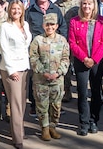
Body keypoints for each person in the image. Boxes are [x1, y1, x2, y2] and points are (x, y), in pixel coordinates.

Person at [69, 0, 103, 136]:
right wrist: (84, 58)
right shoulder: (75, 21)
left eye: (89, 3)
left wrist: (94, 59)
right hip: (81, 61)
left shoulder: (102, 21)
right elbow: (72, 43)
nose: (87, 6)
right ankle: (84, 122)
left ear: (94, 5)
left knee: (96, 91)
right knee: (82, 92)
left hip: (97, 61)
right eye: (84, 3)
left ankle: (93, 120)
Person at [29, 13, 71, 141]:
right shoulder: (37, 40)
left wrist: (58, 73)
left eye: (52, 24)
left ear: (57, 26)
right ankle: (45, 128)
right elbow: (33, 58)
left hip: (57, 80)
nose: (50, 27)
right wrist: (43, 72)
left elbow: (66, 58)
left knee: (56, 106)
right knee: (42, 105)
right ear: (43, 25)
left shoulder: (62, 40)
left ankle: (53, 126)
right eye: (47, 24)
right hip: (41, 80)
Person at [0, 0, 32, 149]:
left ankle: (19, 129)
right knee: (15, 103)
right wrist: (11, 70)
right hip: (11, 69)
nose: (16, 11)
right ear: (9, 10)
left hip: (24, 67)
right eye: (13, 9)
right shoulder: (5, 27)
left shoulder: (25, 25)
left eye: (19, 9)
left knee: (23, 102)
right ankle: (17, 137)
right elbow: (4, 49)